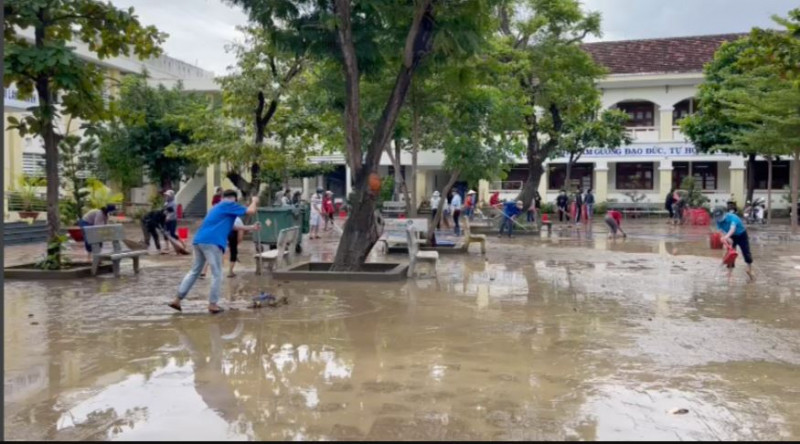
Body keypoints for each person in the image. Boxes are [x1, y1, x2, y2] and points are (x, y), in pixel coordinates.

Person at [168, 190, 259, 314]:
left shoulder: (217, 207)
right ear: (234, 199)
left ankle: (177, 300)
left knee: (194, 271)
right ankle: (213, 304)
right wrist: (254, 201)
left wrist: (251, 227)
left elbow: (232, 226)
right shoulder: (229, 204)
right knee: (217, 273)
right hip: (212, 242)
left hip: (199, 240)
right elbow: (251, 211)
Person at [712, 206, 754, 281]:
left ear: (724, 214)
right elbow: (721, 231)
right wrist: (726, 238)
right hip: (731, 237)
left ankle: (749, 269)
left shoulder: (733, 217)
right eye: (717, 217)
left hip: (741, 235)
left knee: (746, 252)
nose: (719, 219)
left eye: (720, 217)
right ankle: (729, 273)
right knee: (730, 254)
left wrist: (726, 237)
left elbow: (732, 229)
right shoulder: (718, 221)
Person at [227, 208, 261, 278]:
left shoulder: (228, 218)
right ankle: (230, 271)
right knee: (233, 253)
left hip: (225, 236)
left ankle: (229, 270)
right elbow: (241, 234)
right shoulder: (238, 220)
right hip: (233, 236)